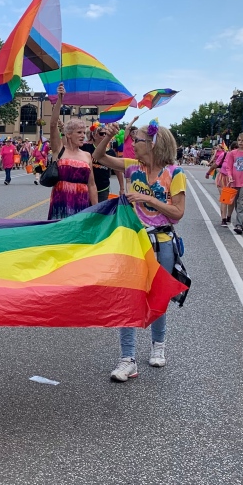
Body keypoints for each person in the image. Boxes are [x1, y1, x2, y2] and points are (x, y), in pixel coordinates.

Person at [93, 119, 186, 382]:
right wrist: (107, 137)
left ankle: (158, 345)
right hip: (134, 242)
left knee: (158, 297)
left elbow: (178, 213)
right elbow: (98, 158)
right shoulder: (132, 167)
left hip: (162, 242)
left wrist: (149, 199)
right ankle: (127, 359)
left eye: (139, 140)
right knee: (128, 297)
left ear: (154, 144)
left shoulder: (175, 174)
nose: (133, 143)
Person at [46, 85, 97, 218]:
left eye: (84, 133)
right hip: (60, 202)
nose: (82, 136)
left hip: (81, 203)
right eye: (79, 132)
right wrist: (60, 99)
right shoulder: (59, 150)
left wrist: (96, 211)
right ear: (68, 134)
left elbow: (91, 185)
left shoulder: (87, 155)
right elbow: (52, 124)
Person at [82, 122, 125, 203]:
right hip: (86, 187)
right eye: (101, 134)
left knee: (100, 213)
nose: (105, 135)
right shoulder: (85, 148)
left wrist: (122, 188)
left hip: (103, 188)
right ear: (94, 135)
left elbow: (118, 171)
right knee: (86, 213)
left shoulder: (111, 152)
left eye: (106, 133)